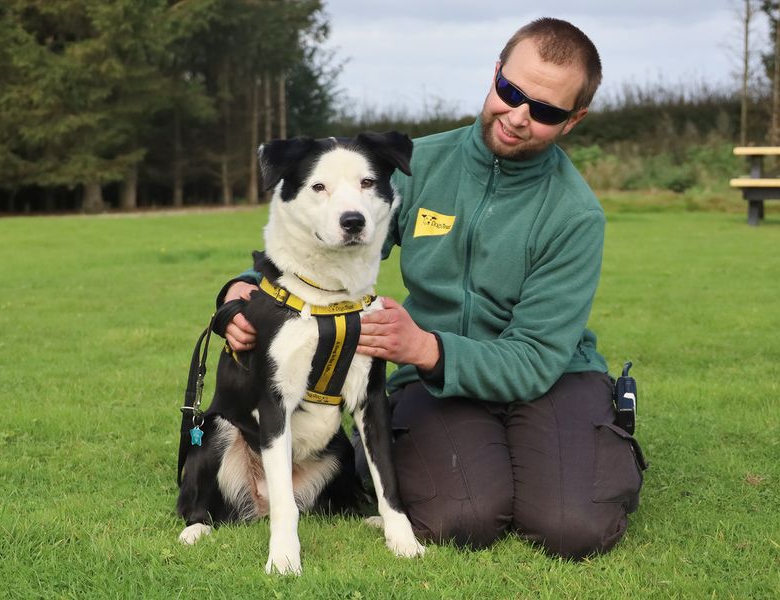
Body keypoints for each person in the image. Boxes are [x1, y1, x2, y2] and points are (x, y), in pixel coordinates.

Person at [218, 17, 646, 560]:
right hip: (436, 382)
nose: (517, 117)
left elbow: (537, 356)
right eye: (510, 92)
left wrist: (423, 346)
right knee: (461, 519)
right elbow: (323, 242)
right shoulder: (415, 167)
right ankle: (498, 457)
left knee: (572, 529)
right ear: (495, 72)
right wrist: (244, 287)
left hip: (550, 379)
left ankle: (583, 435)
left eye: (545, 111)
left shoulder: (576, 215)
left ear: (574, 120)